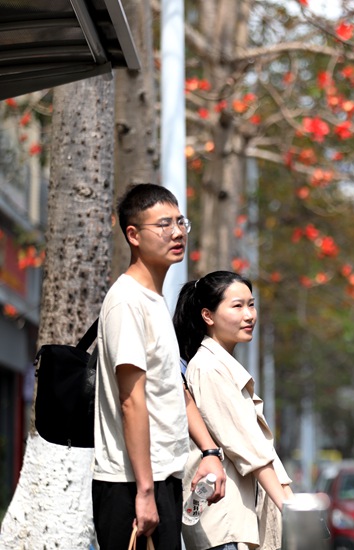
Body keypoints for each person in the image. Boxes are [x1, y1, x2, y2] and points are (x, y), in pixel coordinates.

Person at [93, 184, 227, 550]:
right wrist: (145, 491)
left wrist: (210, 453)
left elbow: (175, 390)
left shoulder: (153, 300)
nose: (177, 232)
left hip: (162, 477)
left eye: (180, 222)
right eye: (163, 224)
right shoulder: (126, 302)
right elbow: (131, 401)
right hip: (130, 485)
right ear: (133, 235)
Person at [173, 271, 294, 550]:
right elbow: (250, 449)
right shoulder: (208, 367)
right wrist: (291, 509)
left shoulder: (219, 364)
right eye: (237, 306)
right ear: (208, 315)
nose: (249, 315)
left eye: (251, 304)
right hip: (225, 528)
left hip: (233, 526)